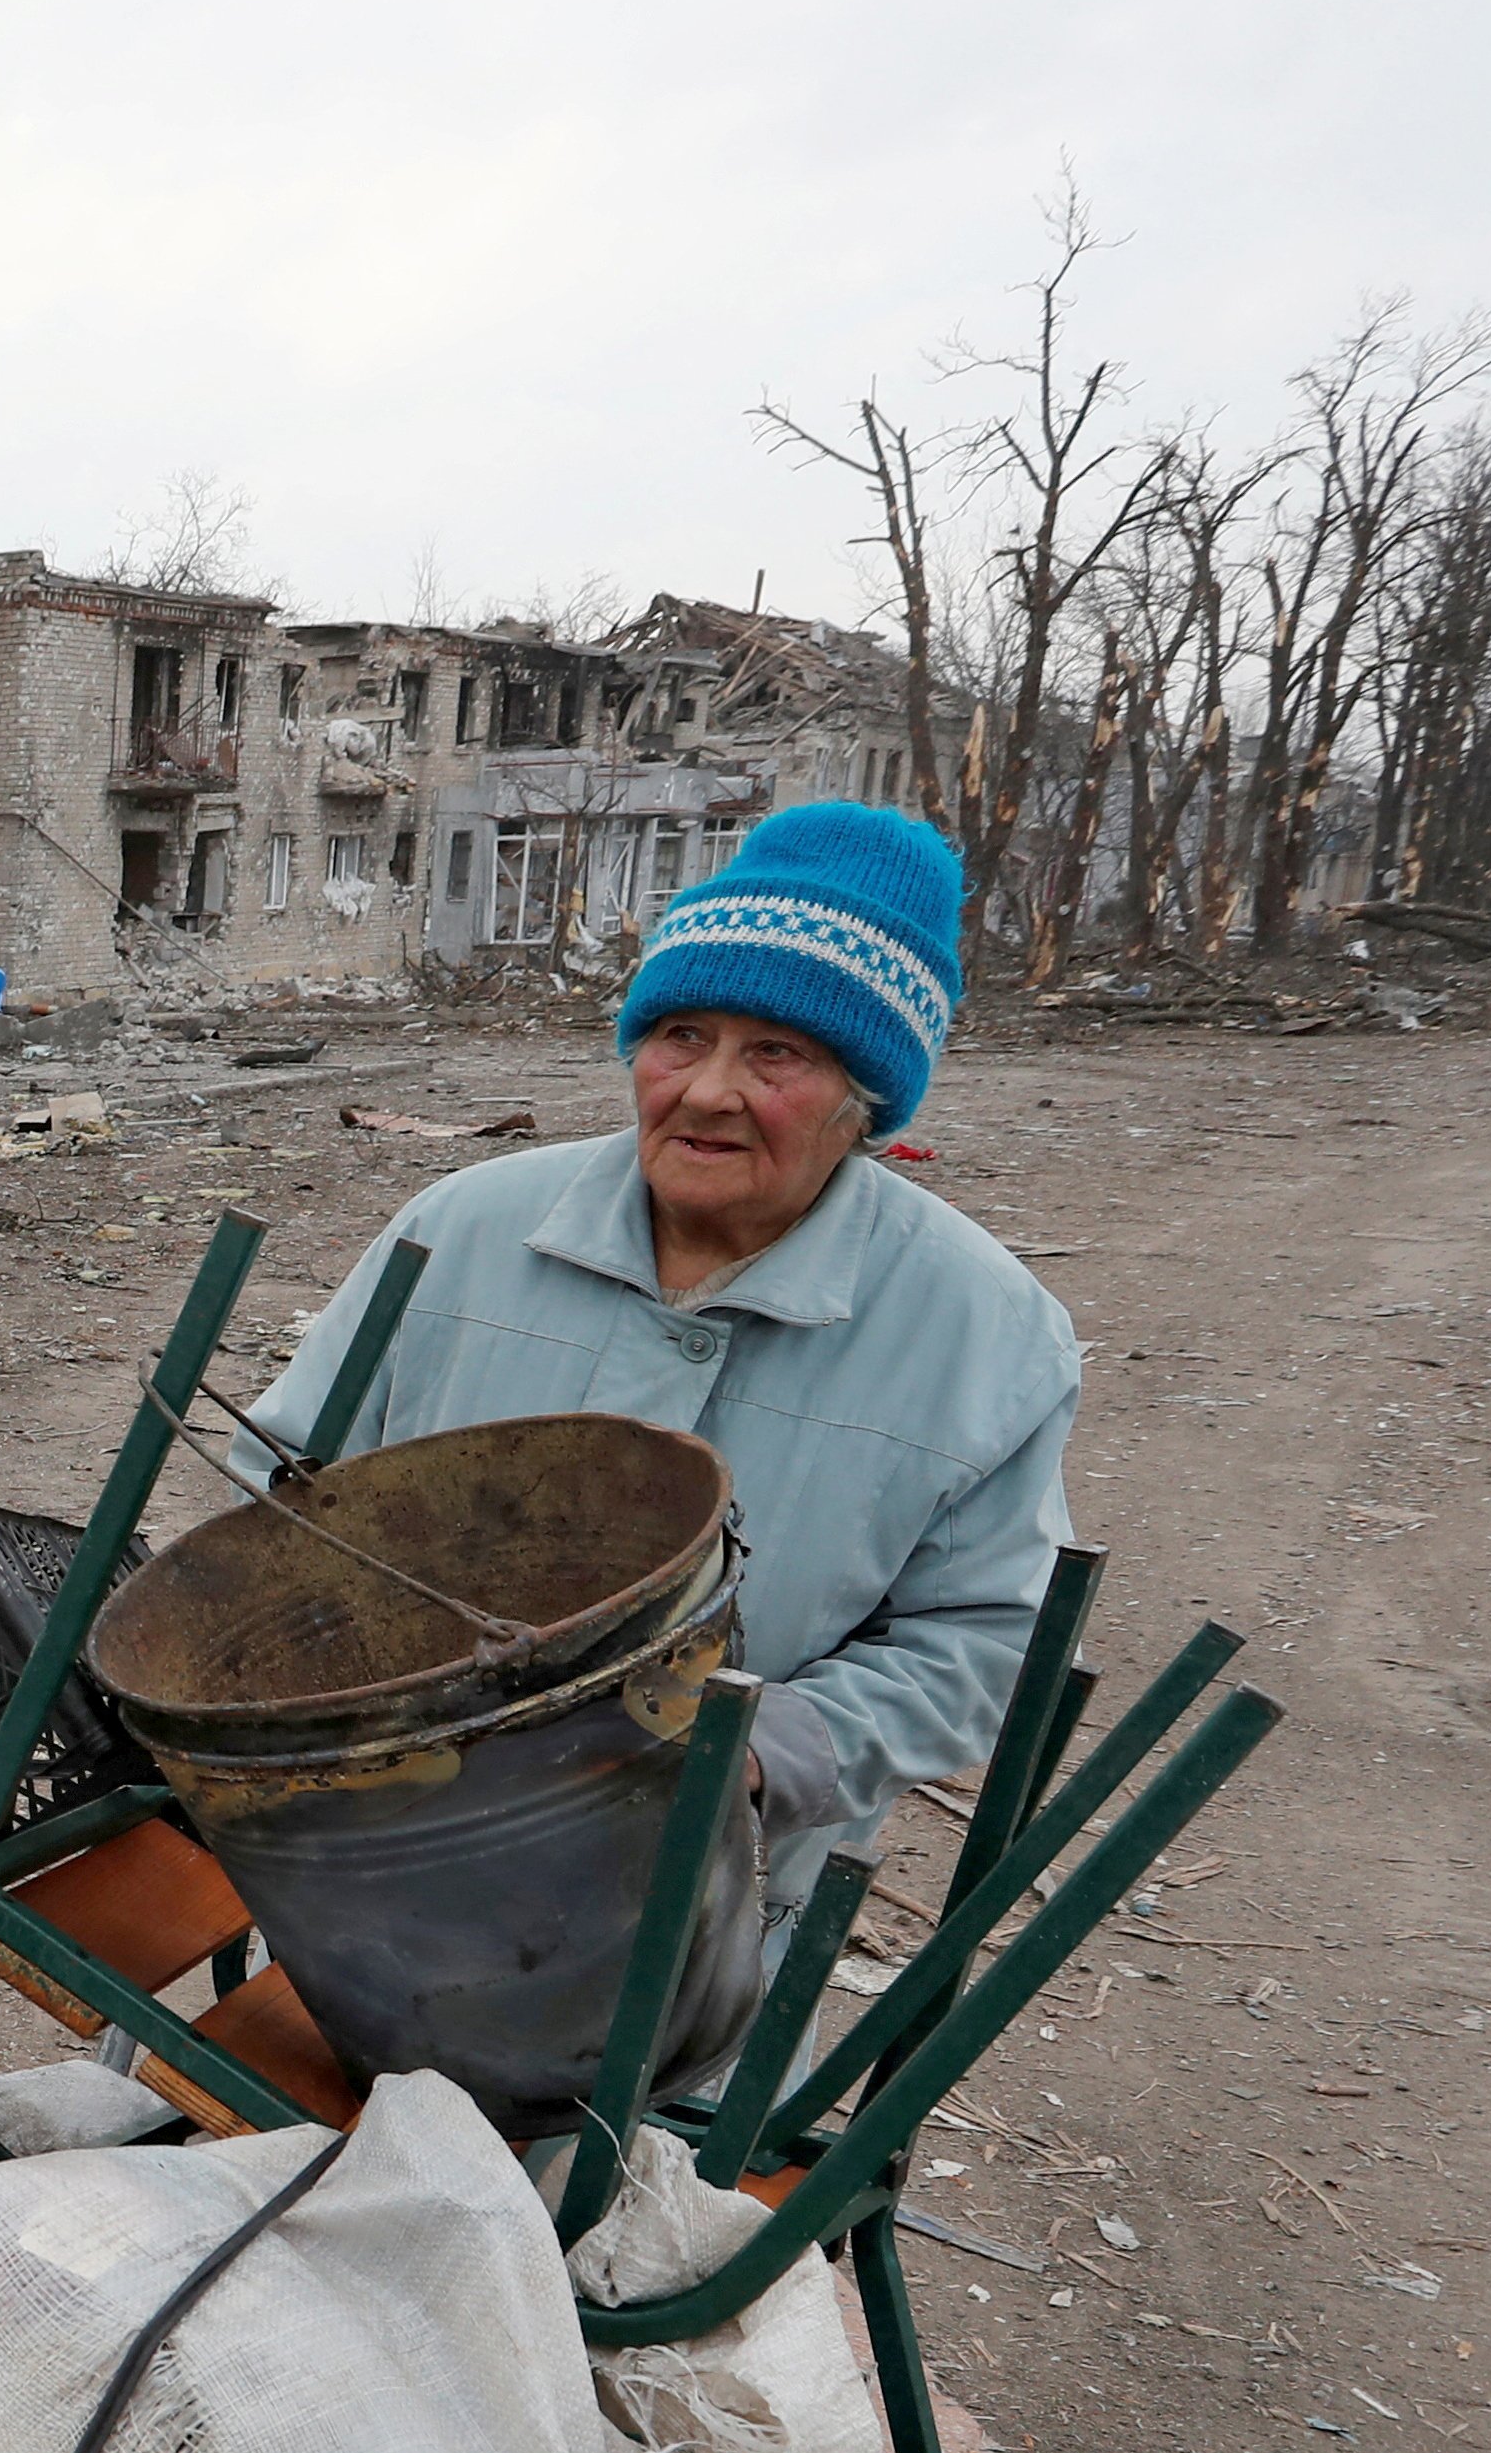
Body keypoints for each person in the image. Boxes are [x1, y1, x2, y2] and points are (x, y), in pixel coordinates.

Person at [244, 801, 1078, 1941]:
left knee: (631, 2125)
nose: (708, 1091)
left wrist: (748, 1749)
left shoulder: (984, 1331)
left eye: (777, 1052)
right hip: (373, 1844)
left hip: (697, 1909)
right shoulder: (465, 1226)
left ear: (866, 1097)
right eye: (682, 1034)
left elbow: (985, 1643)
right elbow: (285, 1474)